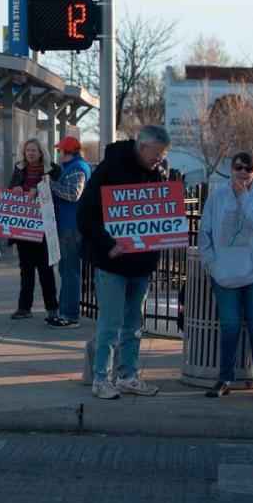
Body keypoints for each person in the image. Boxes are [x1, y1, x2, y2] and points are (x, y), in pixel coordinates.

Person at [76, 125, 170, 399]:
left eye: (162, 156)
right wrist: (109, 245)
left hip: (141, 265)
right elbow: (86, 215)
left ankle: (127, 376)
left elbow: (159, 216)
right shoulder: (110, 169)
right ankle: (101, 379)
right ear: (142, 147)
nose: (159, 160)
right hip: (113, 264)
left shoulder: (157, 174)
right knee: (110, 324)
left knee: (134, 325)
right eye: (156, 154)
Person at [199, 152, 253, 401]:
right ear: (231, 169)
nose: (242, 172)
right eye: (238, 167)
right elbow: (205, 234)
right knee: (230, 326)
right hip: (225, 275)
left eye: (248, 168)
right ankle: (224, 379)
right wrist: (213, 265)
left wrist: (245, 197)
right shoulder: (217, 196)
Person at [9, 138, 62, 321]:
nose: (30, 153)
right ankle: (24, 307)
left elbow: (57, 192)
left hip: (44, 228)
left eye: (34, 150)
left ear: (41, 152)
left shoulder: (53, 169)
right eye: (28, 150)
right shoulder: (19, 168)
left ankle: (52, 308)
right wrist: (15, 187)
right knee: (26, 269)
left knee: (45, 270)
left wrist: (39, 189)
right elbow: (10, 190)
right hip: (24, 228)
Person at [46, 136, 91, 329]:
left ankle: (70, 315)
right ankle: (66, 312)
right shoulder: (74, 167)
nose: (58, 153)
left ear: (67, 152)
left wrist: (51, 185)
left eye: (60, 150)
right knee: (66, 271)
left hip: (70, 227)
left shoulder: (77, 168)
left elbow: (74, 194)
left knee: (69, 272)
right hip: (69, 225)